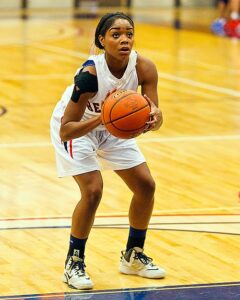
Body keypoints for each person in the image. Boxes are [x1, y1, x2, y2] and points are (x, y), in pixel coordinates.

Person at [50, 12, 165, 290]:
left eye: (129, 33)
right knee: (93, 190)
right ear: (102, 40)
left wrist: (154, 120)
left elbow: (155, 118)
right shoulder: (89, 75)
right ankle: (74, 262)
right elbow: (67, 129)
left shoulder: (144, 68)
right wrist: (102, 120)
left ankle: (133, 256)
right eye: (116, 34)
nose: (124, 39)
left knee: (146, 186)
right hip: (79, 128)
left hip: (112, 128)